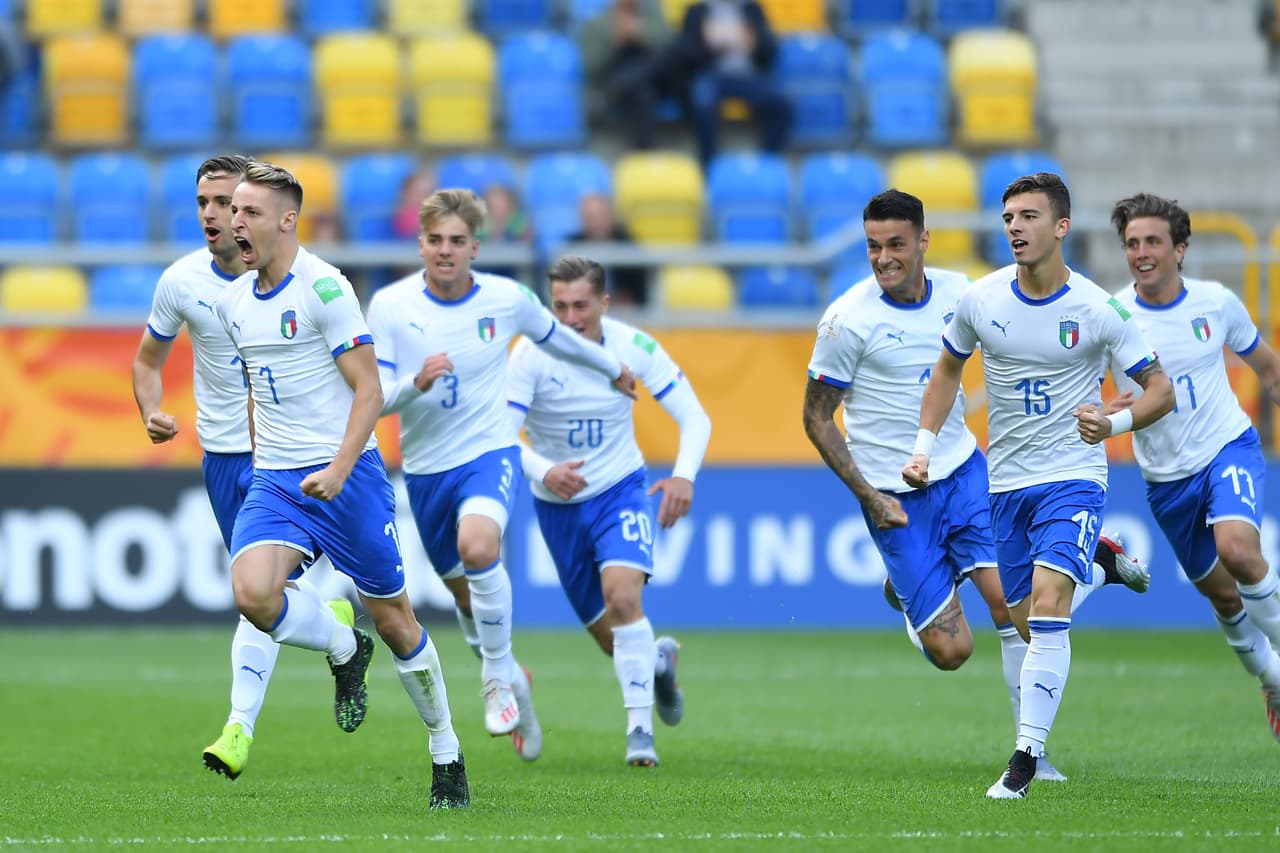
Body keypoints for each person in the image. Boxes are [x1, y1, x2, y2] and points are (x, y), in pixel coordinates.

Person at [802, 189, 1146, 786]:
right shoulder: (846, 320)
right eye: (872, 247)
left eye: (895, 246)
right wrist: (867, 494)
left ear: (923, 242)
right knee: (952, 652)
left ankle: (1033, 756)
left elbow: (1022, 346)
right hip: (893, 493)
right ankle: (921, 595)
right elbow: (815, 417)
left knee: (1017, 615)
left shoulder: (966, 293)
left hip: (964, 472)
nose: (883, 258)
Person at [902, 172, 1175, 799]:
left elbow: (1159, 390)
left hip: (1073, 478)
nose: (1015, 228)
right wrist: (922, 450)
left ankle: (1024, 760)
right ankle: (1102, 569)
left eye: (1028, 217)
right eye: (1008, 218)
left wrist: (1112, 421)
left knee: (1049, 610)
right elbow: (946, 371)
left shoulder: (1098, 310)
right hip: (1007, 485)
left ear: (1060, 228)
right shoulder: (981, 300)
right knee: (1028, 624)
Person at [215, 162, 469, 809]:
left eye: (247, 212)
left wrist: (336, 467)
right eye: (232, 210)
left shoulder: (324, 290)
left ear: (286, 220)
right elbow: (255, 388)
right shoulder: (234, 302)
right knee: (251, 592)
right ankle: (339, 642)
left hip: (346, 477)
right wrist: (258, 460)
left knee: (396, 618)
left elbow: (370, 388)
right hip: (277, 479)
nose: (233, 222)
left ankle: (446, 750)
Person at [365, 190, 638, 763]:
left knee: (479, 544)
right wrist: (413, 384)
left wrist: (612, 366)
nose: (445, 251)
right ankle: (517, 680)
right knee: (466, 601)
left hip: (490, 452)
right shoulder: (389, 307)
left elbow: (558, 338)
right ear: (420, 244)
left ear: (475, 247)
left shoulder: (506, 299)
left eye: (457, 241)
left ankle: (494, 679)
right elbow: (371, 397)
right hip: (426, 470)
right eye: (435, 240)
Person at [132, 154, 350, 782]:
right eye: (202, 202)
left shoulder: (305, 282)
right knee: (260, 596)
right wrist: (152, 410)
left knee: (255, 592)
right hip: (227, 460)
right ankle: (338, 635)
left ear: (256, 212)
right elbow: (148, 360)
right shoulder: (182, 282)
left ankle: (238, 727)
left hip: (291, 457)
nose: (211, 215)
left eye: (224, 203)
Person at [507, 255, 709, 766]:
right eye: (560, 306)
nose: (570, 318)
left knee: (623, 598)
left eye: (581, 305)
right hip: (558, 506)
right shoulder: (530, 355)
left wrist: (683, 475)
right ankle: (659, 662)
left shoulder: (633, 346)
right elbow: (499, 436)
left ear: (604, 302)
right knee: (615, 640)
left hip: (620, 490)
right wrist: (543, 471)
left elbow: (695, 418)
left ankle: (639, 734)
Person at [1108, 192, 1280, 741]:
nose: (1142, 252)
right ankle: (1272, 682)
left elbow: (1269, 370)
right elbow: (1096, 392)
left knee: (1239, 551)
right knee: (1223, 596)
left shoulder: (1216, 303)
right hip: (1166, 480)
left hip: (1226, 447)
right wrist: (1110, 409)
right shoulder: (1112, 314)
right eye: (1132, 243)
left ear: (1179, 249)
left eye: (1153, 241)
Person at [671, 0, 790, 169]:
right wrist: (708, 45)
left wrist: (754, 42)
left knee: (781, 103)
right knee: (701, 100)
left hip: (748, 77)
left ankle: (766, 164)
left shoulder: (753, 9)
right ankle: (709, 164)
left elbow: (769, 53)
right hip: (711, 76)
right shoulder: (697, 11)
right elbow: (684, 55)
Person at [579, 0, 672, 149]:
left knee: (643, 83)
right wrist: (615, 42)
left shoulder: (653, 20)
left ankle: (644, 151)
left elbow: (671, 49)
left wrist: (642, 35)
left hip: (654, 83)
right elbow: (590, 66)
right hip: (618, 85)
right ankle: (645, 153)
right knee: (642, 91)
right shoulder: (596, 24)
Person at [563, 193, 648, 306]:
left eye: (599, 216)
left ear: (612, 216)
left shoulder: (629, 247)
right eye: (589, 217)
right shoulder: (571, 248)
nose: (595, 223)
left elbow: (640, 294)